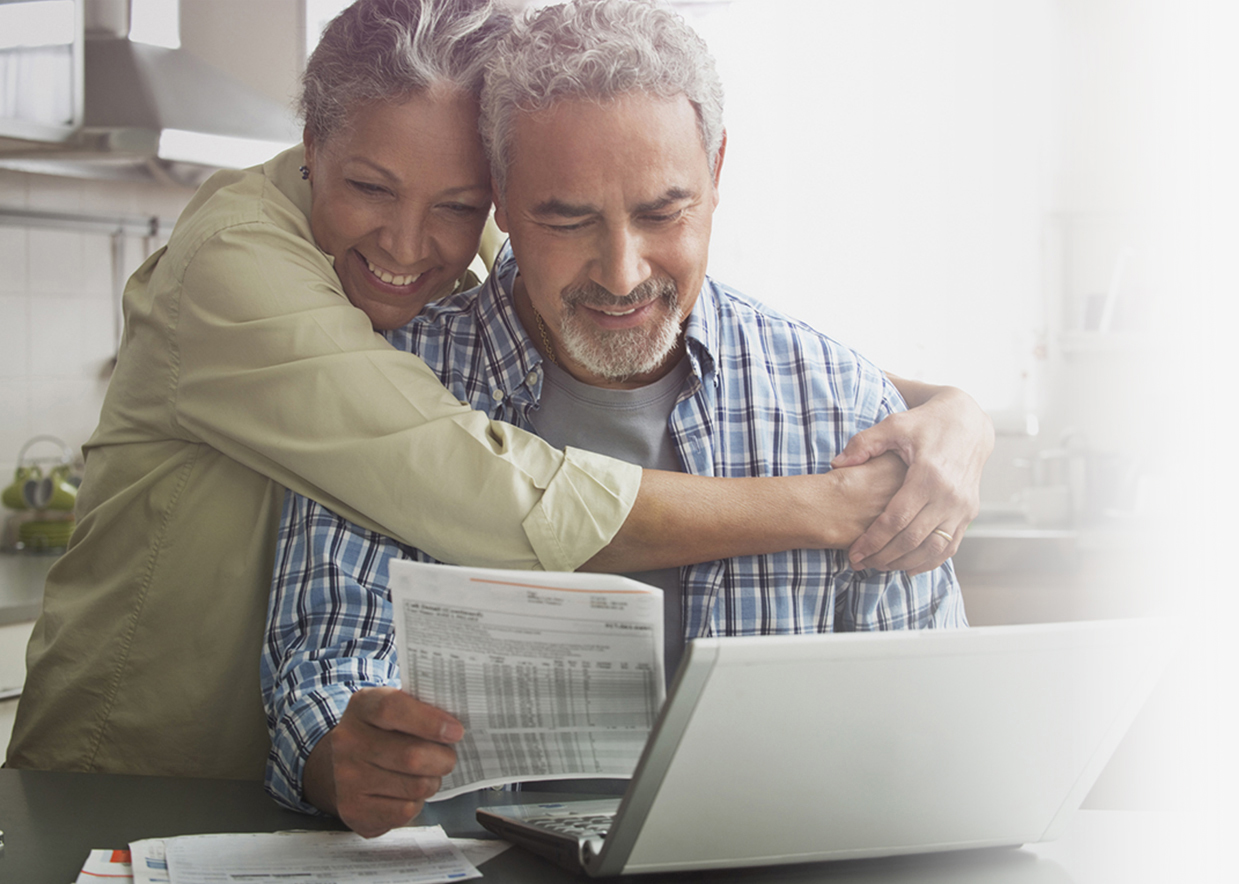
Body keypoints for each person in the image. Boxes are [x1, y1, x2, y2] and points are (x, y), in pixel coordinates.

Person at [6, 0, 989, 782]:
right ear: (311, 145)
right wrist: (822, 503)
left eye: (456, 206)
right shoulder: (237, 267)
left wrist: (939, 405)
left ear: (491, 202)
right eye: (370, 188)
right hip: (128, 757)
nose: (407, 245)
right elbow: (492, 494)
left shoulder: (484, 250)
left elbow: (667, 317)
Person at [262, 0, 967, 838]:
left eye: (664, 213)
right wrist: (343, 753)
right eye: (567, 219)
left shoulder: (840, 405)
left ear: (716, 170)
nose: (623, 273)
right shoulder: (393, 382)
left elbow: (932, 721)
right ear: (502, 198)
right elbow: (318, 673)